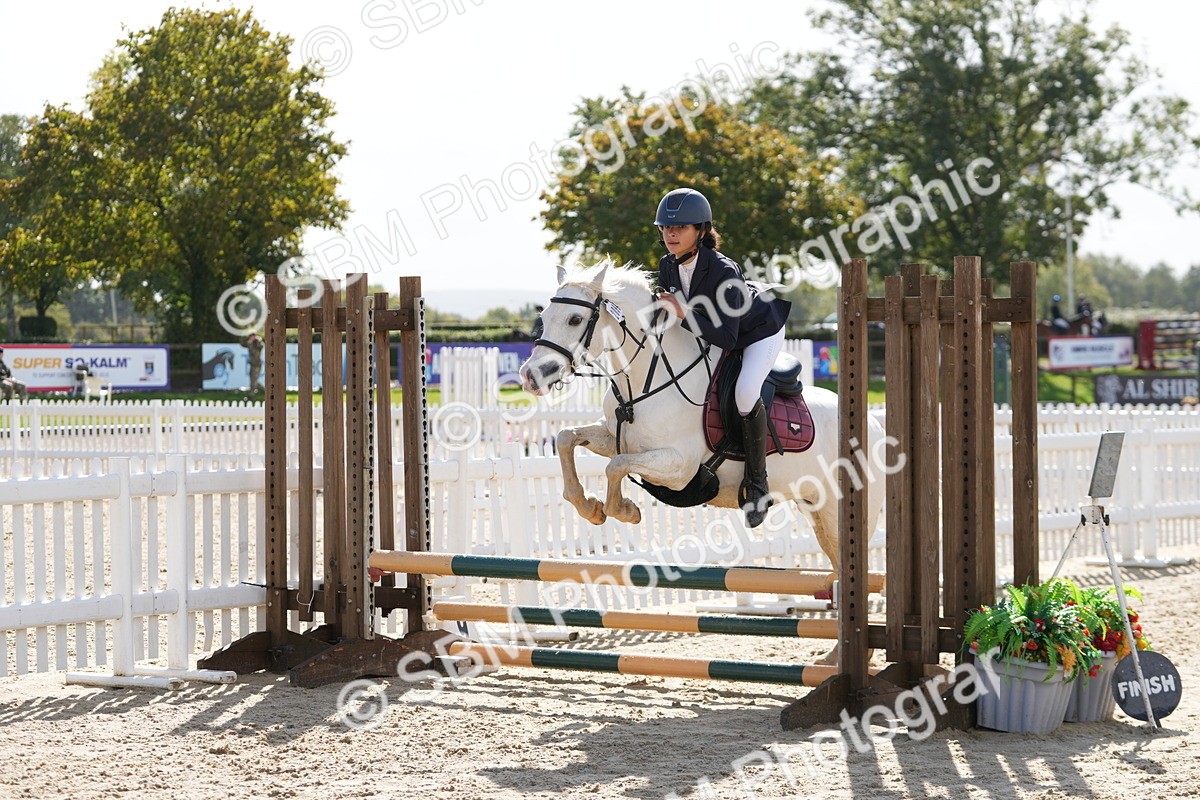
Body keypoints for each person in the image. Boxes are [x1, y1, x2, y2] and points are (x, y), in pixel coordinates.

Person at [653, 187, 792, 528]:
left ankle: (758, 484)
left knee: (745, 392)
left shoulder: (723, 270)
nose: (671, 233)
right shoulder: (667, 266)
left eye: (681, 228)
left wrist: (682, 311)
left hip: (758, 333)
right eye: (666, 228)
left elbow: (728, 338)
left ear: (700, 231)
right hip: (718, 332)